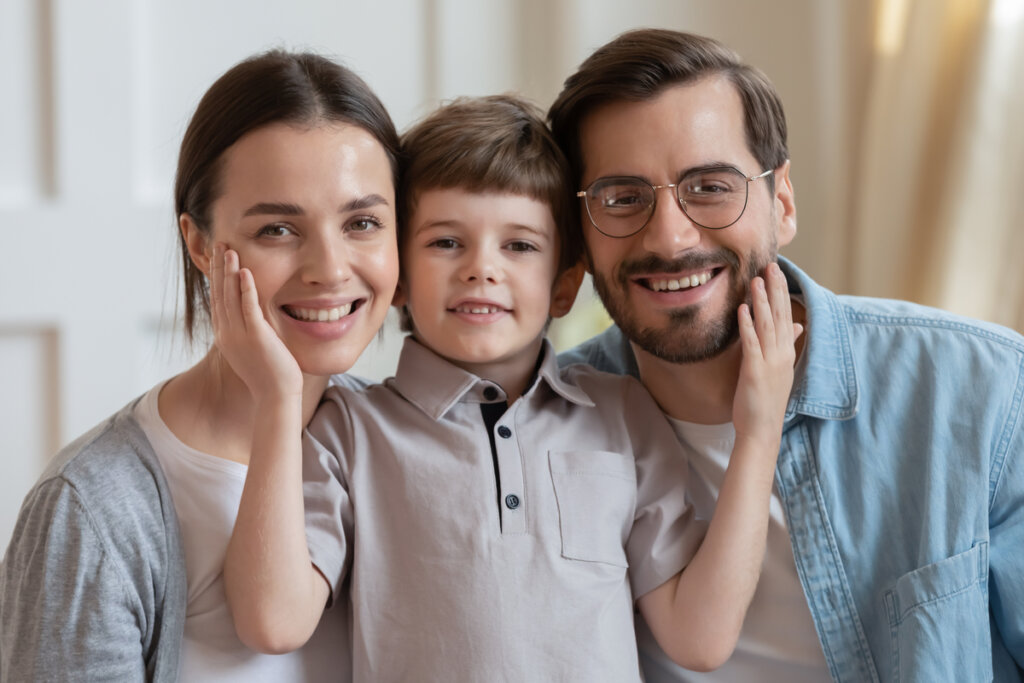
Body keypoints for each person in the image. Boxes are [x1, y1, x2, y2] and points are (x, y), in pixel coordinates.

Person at [218, 94, 801, 681]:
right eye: (446, 242)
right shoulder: (348, 430)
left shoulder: (622, 414)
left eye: (519, 245)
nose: (482, 269)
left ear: (565, 285)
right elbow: (273, 623)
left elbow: (700, 639)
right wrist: (276, 399)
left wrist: (759, 431)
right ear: (398, 275)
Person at [550, 28, 1024, 682]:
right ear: (580, 231)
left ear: (783, 200)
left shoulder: (984, 390)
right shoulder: (545, 426)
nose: (669, 236)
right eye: (622, 198)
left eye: (710, 186)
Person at [0, 50, 401, 682]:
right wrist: (278, 397)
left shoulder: (400, 444)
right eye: (277, 229)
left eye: (363, 222)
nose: (329, 267)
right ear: (199, 244)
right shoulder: (91, 510)